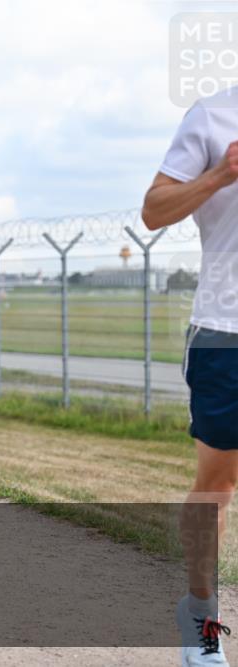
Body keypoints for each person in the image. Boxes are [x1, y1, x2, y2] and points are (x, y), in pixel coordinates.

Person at [142, 85, 237, 666]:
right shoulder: (212, 115)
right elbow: (153, 210)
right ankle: (201, 621)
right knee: (219, 487)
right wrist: (219, 176)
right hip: (228, 331)